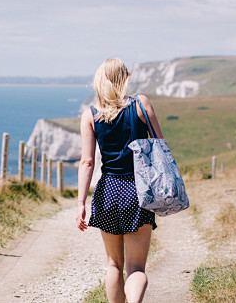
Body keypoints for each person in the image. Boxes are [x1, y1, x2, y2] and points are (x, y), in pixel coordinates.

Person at [76, 58, 164, 303]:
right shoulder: (141, 104)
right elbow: (160, 145)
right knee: (136, 268)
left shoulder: (91, 114)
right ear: (125, 79)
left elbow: (87, 162)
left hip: (107, 191)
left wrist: (81, 202)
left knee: (113, 264)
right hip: (138, 190)